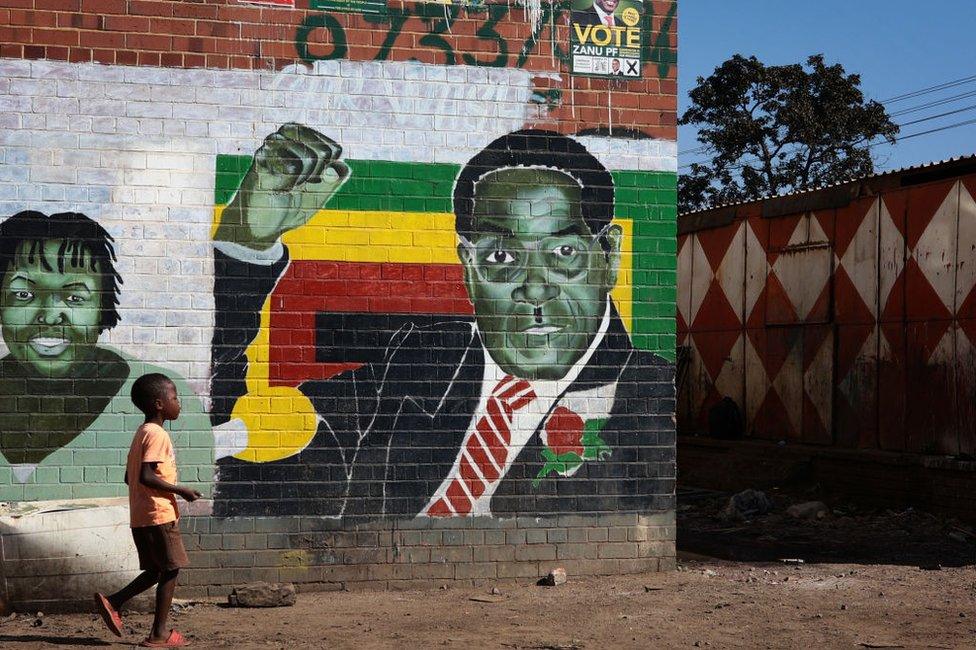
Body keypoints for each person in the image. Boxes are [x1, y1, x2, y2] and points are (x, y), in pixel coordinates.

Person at [211, 124, 673, 518]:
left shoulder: (649, 398)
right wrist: (245, 244)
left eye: (564, 253)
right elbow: (225, 446)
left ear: (608, 257)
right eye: (502, 255)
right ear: (469, 269)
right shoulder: (421, 362)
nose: (534, 287)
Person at [0, 210, 212, 501]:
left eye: (75, 298)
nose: (49, 317)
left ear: (103, 308)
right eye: (23, 295)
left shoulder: (165, 391)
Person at [94, 373, 201, 648]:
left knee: (156, 570)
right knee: (171, 569)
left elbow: (129, 478)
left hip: (141, 515)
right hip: (159, 514)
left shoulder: (141, 433)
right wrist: (182, 491)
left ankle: (114, 602)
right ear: (159, 404)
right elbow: (145, 477)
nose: (179, 403)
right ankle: (159, 634)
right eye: (175, 398)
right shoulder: (157, 434)